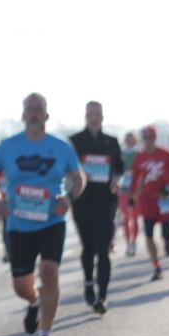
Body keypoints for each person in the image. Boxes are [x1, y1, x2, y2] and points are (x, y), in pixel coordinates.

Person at [0, 93, 84, 336]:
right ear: (23, 115)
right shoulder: (8, 146)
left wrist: (68, 198)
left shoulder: (60, 146)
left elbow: (78, 178)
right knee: (20, 286)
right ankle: (34, 301)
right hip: (18, 224)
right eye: (30, 109)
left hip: (52, 221)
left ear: (46, 115)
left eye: (39, 109)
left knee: (49, 273)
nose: (35, 114)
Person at [69, 102, 124, 314]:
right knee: (89, 248)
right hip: (82, 201)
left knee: (103, 248)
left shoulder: (111, 142)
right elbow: (66, 169)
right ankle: (88, 282)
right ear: (85, 116)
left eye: (98, 114)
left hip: (106, 201)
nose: (94, 117)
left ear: (102, 117)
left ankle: (102, 295)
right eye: (91, 114)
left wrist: (117, 180)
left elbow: (119, 169)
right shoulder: (75, 141)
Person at [131, 126, 169, 281]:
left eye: (150, 138)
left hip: (165, 198)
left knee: (165, 234)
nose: (148, 141)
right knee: (148, 234)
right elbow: (135, 179)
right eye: (145, 138)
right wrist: (132, 197)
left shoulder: (166, 154)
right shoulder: (139, 157)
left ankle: (168, 241)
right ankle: (156, 266)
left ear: (155, 138)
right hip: (147, 199)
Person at [117, 132, 140, 256]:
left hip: (136, 190)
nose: (129, 141)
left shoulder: (139, 153)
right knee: (125, 217)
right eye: (127, 139)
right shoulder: (120, 153)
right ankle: (128, 243)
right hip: (123, 189)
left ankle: (134, 241)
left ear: (135, 140)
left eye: (132, 139)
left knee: (135, 217)